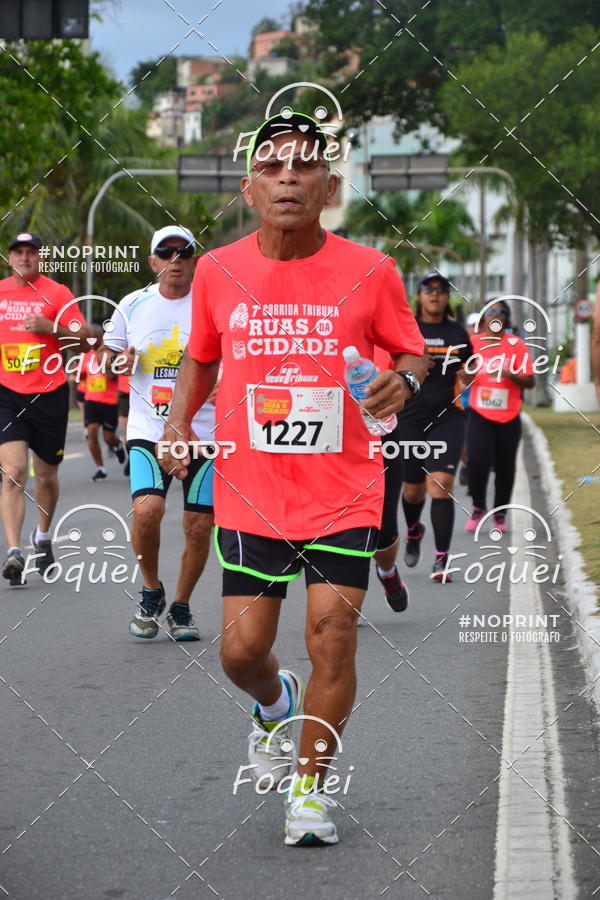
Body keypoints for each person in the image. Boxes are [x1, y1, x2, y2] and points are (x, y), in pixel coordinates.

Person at [158, 112, 425, 845]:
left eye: (305, 165)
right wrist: (179, 422)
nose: (288, 177)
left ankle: (310, 791)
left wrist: (403, 382)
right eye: (272, 165)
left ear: (328, 187)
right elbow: (200, 358)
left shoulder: (372, 270)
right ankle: (276, 703)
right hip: (252, 491)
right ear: (249, 188)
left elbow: (411, 351)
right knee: (241, 652)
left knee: (333, 635)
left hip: (344, 489)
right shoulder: (217, 271)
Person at [101, 225, 215, 642]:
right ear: (152, 262)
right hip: (149, 429)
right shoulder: (133, 304)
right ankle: (152, 589)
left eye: (183, 253)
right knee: (148, 510)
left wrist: (225, 384)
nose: (175, 260)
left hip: (205, 431)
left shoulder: (211, 302)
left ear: (194, 260)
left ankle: (181, 606)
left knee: (198, 525)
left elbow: (237, 356)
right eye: (165, 253)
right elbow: (106, 356)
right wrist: (119, 363)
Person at [0, 231, 89, 584]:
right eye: (18, 252)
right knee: (14, 471)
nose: (24, 258)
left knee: (47, 476)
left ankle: (43, 536)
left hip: (49, 394)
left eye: (31, 252)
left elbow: (86, 339)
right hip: (6, 393)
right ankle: (13, 551)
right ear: (10, 258)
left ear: (41, 258)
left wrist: (52, 327)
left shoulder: (58, 293)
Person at [393, 274, 472, 581]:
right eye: (429, 289)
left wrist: (468, 376)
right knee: (412, 492)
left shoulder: (457, 333)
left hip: (447, 417)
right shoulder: (407, 329)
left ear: (447, 297)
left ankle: (442, 560)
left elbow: (471, 369)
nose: (435, 294)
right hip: (409, 418)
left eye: (441, 290)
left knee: (440, 484)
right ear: (419, 295)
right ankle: (414, 530)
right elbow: (390, 365)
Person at [465, 300, 534, 532]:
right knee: (477, 461)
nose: (495, 315)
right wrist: (465, 376)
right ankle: (478, 507)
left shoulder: (516, 345)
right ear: (483, 318)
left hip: (508, 415)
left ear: (506, 318)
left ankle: (500, 514)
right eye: (490, 311)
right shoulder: (473, 343)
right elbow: (463, 375)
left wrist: (509, 374)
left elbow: (530, 381)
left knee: (505, 466)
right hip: (479, 412)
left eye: (500, 312)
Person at [81, 325, 127, 482]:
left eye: (93, 338)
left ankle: (117, 445)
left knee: (108, 437)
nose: (90, 341)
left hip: (109, 401)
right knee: (92, 432)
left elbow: (112, 375)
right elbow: (83, 373)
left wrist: (105, 367)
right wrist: (78, 374)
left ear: (101, 338)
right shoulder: (86, 354)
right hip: (91, 400)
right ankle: (100, 468)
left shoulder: (109, 353)